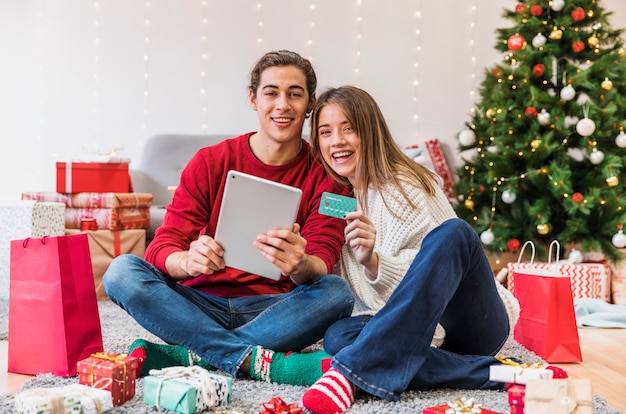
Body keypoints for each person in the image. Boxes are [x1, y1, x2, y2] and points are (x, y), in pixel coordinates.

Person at [102, 50, 355, 387]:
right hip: (197, 302)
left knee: (338, 293)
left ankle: (193, 355)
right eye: (271, 93)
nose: (283, 104)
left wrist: (300, 264)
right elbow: (162, 246)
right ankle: (258, 361)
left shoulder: (333, 180)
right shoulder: (210, 161)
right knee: (121, 272)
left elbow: (324, 256)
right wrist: (187, 261)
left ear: (309, 103)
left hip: (272, 307)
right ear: (253, 99)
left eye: (295, 94)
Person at [301, 86, 525, 414]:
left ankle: (351, 372)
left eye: (349, 128)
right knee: (339, 337)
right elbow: (356, 300)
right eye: (325, 132)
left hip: (471, 323)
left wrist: (374, 262)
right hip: (408, 334)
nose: (337, 141)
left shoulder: (408, 185)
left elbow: (430, 281)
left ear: (370, 130)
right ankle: (497, 372)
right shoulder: (333, 202)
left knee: (455, 233)